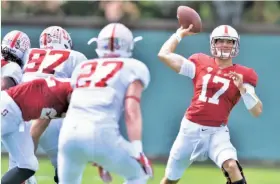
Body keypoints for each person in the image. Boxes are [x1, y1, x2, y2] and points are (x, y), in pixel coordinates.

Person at [158, 24, 262, 184]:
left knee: (232, 166)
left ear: (236, 44)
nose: (225, 45)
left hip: (217, 132)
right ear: (213, 43)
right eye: (220, 40)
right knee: (170, 180)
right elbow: (164, 55)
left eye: (230, 42)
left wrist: (243, 89)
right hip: (190, 130)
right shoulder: (200, 62)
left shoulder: (244, 74)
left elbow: (257, 111)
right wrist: (178, 35)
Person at [57, 23, 153, 184]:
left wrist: (98, 153)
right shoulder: (134, 67)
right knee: (140, 173)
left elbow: (74, 103)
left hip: (68, 135)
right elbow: (131, 110)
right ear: (129, 44)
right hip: (101, 132)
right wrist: (137, 150)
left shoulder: (82, 67)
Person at [1, 77, 72, 184]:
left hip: (19, 119)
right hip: (7, 107)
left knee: (28, 165)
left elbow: (37, 129)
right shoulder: (76, 90)